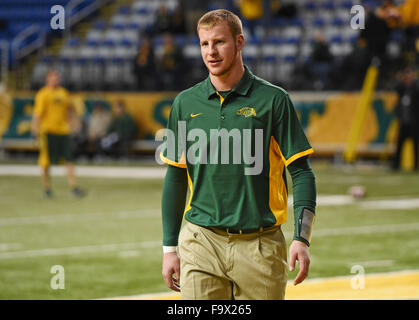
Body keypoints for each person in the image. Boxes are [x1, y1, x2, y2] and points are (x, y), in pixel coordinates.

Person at [160, 9, 316, 300]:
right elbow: (175, 175)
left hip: (260, 245)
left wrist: (301, 237)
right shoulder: (183, 103)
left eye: (219, 42)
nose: (211, 51)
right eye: (204, 44)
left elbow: (302, 171)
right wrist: (169, 248)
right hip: (200, 240)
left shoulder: (274, 100)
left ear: (240, 42)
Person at [31, 69, 86, 198]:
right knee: (45, 162)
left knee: (69, 160)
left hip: (63, 131)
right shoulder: (42, 94)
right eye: (53, 78)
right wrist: (35, 130)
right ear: (47, 79)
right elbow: (38, 114)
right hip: (48, 131)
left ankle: (74, 187)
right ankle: (47, 189)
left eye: (57, 77)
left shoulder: (63, 93)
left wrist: (75, 124)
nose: (55, 80)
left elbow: (69, 110)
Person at [391, 67, 419, 170]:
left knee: (415, 145)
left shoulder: (415, 87)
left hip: (414, 122)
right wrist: (400, 79)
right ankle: (396, 165)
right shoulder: (402, 88)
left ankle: (415, 166)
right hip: (403, 122)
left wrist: (414, 81)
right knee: (399, 145)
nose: (408, 77)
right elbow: (394, 87)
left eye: (410, 75)